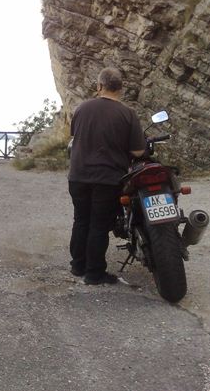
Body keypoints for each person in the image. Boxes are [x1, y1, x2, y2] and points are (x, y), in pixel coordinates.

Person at [68, 67, 145, 285]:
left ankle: (78, 265)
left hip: (78, 176)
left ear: (99, 86)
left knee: (81, 220)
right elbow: (138, 151)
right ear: (120, 88)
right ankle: (94, 274)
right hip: (107, 178)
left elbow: (74, 136)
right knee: (99, 225)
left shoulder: (82, 108)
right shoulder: (128, 113)